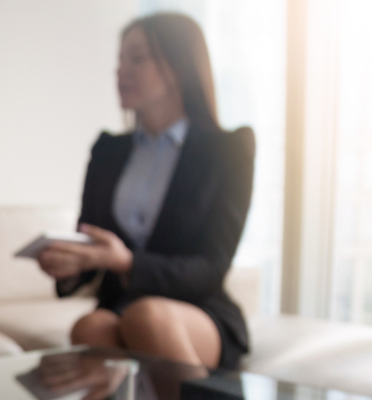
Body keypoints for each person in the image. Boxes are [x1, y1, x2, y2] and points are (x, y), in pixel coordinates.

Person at [37, 13, 254, 369]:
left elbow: (211, 269)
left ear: (179, 64)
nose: (121, 71)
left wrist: (126, 262)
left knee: (148, 317)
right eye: (119, 61)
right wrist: (71, 265)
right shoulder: (108, 150)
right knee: (90, 326)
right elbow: (91, 241)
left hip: (198, 310)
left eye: (137, 58)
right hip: (122, 304)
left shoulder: (228, 149)